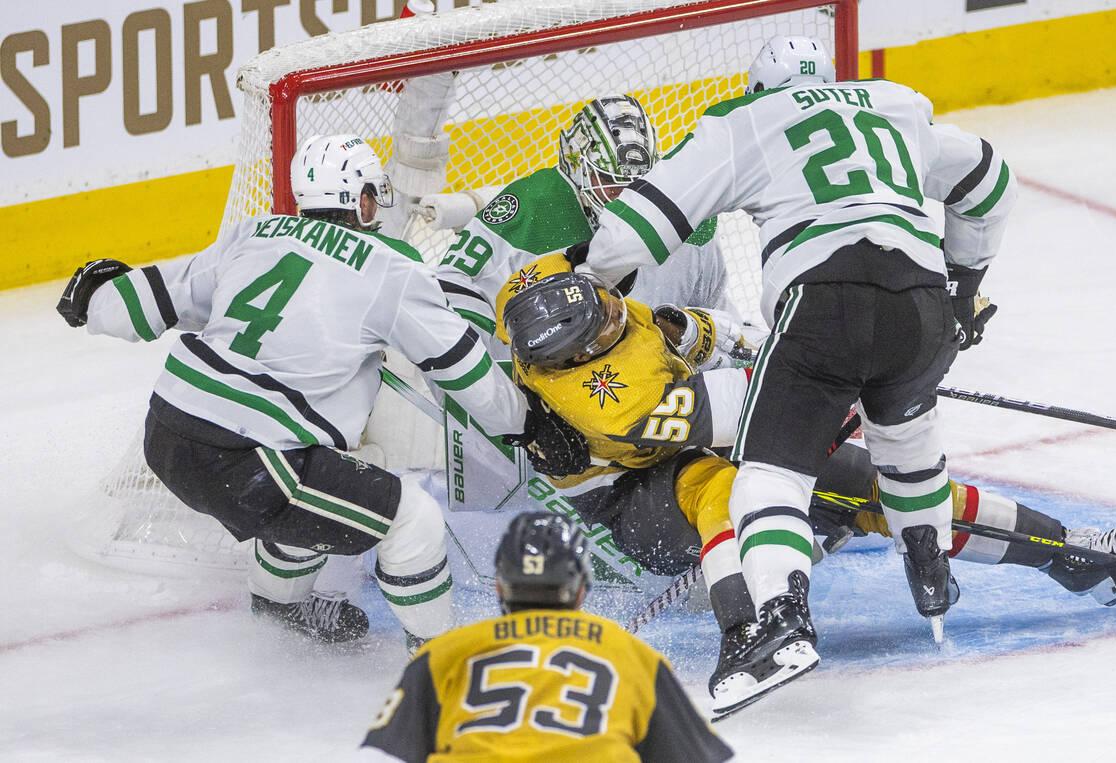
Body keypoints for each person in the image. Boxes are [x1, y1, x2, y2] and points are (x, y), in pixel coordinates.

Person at [573, 32, 1116, 696]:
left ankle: (782, 619)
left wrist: (591, 282)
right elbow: (990, 180)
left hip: (817, 312)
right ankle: (929, 556)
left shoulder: (745, 124)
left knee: (777, 479)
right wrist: (960, 291)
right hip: (919, 300)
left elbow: (635, 230)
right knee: (904, 457)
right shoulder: (893, 104)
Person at [496, 264, 1116, 714]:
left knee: (883, 488)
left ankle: (1067, 551)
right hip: (633, 502)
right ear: (573, 357)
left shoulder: (559, 299)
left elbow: (719, 344)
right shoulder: (609, 404)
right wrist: (843, 375)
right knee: (726, 487)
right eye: (605, 329)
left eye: (612, 309)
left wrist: (697, 329)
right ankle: (747, 634)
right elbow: (751, 407)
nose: (619, 318)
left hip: (697, 437)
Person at [54, 134, 584, 647]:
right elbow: (460, 364)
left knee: (318, 486)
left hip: (167, 433)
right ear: (363, 200)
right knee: (411, 519)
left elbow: (155, 298)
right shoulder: (390, 268)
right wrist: (527, 424)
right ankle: (438, 657)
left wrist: (101, 298)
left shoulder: (255, 233)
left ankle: (279, 607)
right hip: (248, 458)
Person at [359, 511, 733, 762]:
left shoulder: (447, 652)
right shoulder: (630, 655)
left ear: (500, 588)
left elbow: (383, 754)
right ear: (581, 589)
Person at [434, 94, 738, 344]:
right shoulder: (527, 211)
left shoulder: (688, 218)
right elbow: (447, 295)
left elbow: (712, 310)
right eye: (609, 182)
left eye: (636, 183)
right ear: (577, 167)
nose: (625, 197)